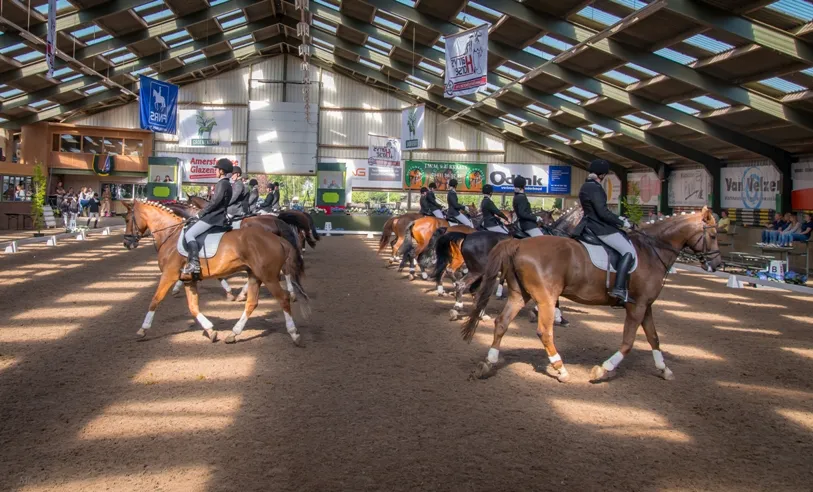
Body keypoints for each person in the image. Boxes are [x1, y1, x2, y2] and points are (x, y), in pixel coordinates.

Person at [574, 159, 635, 305]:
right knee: (628, 251)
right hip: (599, 227)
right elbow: (602, 213)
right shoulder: (595, 187)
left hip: (590, 224)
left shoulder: (586, 185)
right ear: (602, 175)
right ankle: (619, 288)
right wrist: (622, 221)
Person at [182, 159, 233, 275]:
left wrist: (201, 213)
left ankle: (194, 263)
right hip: (219, 216)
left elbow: (215, 202)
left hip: (213, 217)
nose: (215, 171)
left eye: (216, 169)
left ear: (221, 171)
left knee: (189, 234)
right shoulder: (227, 184)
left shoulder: (222, 183)